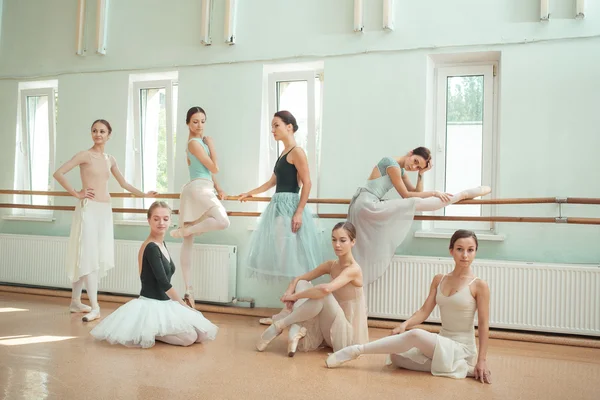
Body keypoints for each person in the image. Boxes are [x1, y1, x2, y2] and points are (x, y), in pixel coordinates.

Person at [326, 229, 492, 385]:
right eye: (459, 249)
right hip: (443, 341)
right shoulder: (439, 279)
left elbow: (484, 325)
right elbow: (424, 311)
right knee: (396, 357)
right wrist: (404, 325)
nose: (465, 255)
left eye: (470, 250)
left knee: (416, 335)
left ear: (475, 252)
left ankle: (357, 350)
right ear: (451, 251)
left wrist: (482, 360)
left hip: (463, 348)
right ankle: (462, 368)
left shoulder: (479, 285)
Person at [53, 119, 157, 322]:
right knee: (88, 256)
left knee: (90, 255)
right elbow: (58, 173)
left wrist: (144, 195)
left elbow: (124, 183)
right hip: (89, 210)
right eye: (94, 131)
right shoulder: (84, 155)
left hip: (104, 211)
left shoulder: (110, 159)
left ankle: (75, 301)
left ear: (109, 135)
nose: (98, 134)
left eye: (102, 131)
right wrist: (77, 193)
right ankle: (95, 306)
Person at [348, 148, 491, 285]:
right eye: (415, 161)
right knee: (411, 203)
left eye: (418, 167)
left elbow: (416, 191)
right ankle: (462, 195)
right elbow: (406, 196)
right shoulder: (390, 163)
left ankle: (461, 195)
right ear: (410, 153)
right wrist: (434, 192)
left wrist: (421, 174)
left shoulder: (401, 170)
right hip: (366, 203)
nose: (414, 166)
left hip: (371, 203)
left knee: (413, 203)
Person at [90, 201, 219, 348]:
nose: (161, 223)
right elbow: (164, 283)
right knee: (189, 338)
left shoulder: (161, 244)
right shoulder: (151, 247)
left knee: (202, 335)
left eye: (165, 219)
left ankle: (156, 329)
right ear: (149, 220)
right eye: (156, 219)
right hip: (151, 304)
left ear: (170, 221)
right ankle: (148, 330)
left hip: (166, 303)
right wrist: (185, 306)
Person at [256, 222, 368, 357]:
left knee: (323, 294)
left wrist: (295, 297)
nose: (337, 245)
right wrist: (290, 290)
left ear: (353, 242)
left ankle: (281, 325)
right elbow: (299, 279)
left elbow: (326, 289)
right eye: (334, 240)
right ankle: (294, 327)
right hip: (328, 327)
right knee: (304, 283)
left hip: (345, 336)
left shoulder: (354, 270)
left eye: (342, 240)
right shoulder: (331, 265)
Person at [238, 111, 323, 280]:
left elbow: (307, 182)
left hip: (289, 205)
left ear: (289, 127)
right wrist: (251, 193)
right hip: (278, 205)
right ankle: (293, 299)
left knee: (289, 255)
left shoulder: (297, 152)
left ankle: (298, 297)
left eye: (276, 125)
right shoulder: (284, 153)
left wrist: (298, 212)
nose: (273, 130)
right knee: (282, 253)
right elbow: (272, 182)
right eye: (272, 126)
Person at [169, 107, 230, 307]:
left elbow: (208, 172)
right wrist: (212, 146)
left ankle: (188, 291)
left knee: (188, 241)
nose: (200, 125)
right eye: (195, 121)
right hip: (199, 189)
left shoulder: (196, 144)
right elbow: (215, 167)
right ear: (188, 123)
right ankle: (186, 230)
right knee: (223, 221)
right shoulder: (195, 143)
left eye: (203, 121)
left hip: (199, 188)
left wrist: (219, 188)